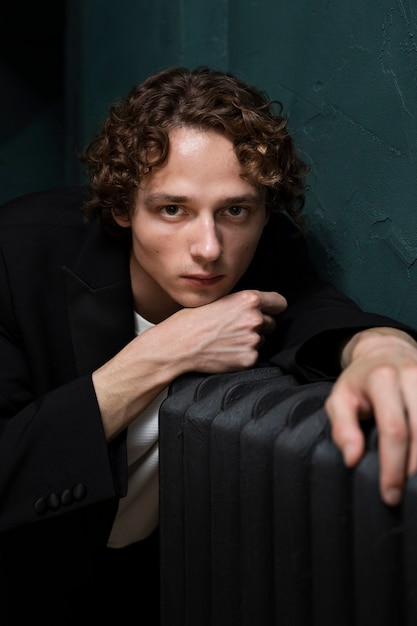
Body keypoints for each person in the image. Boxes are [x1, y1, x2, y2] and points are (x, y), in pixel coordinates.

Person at [0, 65, 416, 623]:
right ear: (123, 208)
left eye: (236, 211)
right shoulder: (18, 255)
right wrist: (164, 351)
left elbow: (317, 310)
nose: (208, 248)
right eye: (172, 209)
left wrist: (382, 347)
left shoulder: (261, 250)